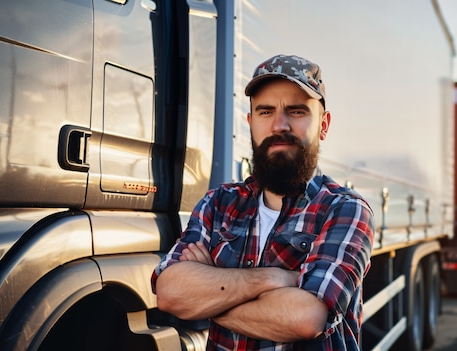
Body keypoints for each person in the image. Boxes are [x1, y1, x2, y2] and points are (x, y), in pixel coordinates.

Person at [152, 54, 374, 350]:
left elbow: (305, 318)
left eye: (296, 111)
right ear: (251, 123)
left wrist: (208, 297)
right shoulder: (218, 204)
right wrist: (277, 278)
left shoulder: (344, 209)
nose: (279, 125)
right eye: (266, 112)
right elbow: (170, 294)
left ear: (323, 125)